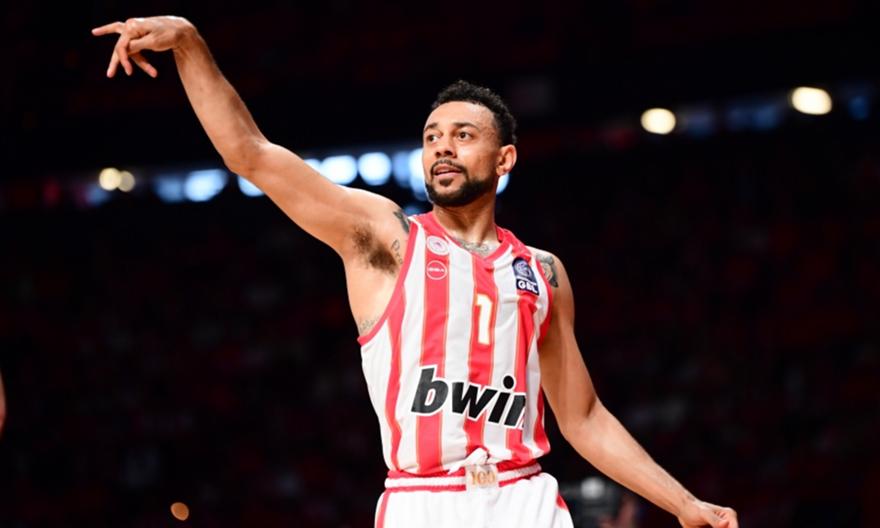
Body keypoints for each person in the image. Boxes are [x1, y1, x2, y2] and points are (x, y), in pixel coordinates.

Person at [93, 16, 739, 528]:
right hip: (423, 501)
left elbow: (584, 417)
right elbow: (251, 154)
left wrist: (683, 503)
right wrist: (190, 44)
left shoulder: (542, 271)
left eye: (462, 135)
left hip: (525, 498)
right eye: (432, 137)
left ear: (505, 158)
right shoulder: (386, 237)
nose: (442, 148)